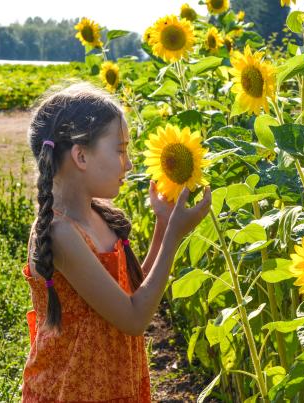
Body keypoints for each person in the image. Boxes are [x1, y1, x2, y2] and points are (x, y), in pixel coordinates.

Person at [20, 82, 211, 402]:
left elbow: (133, 292)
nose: (130, 163)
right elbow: (134, 318)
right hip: (76, 389)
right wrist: (176, 235)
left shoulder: (100, 215)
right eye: (120, 150)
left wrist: (164, 225)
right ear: (81, 155)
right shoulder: (61, 233)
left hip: (114, 382)